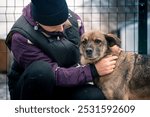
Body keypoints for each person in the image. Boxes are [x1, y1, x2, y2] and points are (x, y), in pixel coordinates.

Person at [6, 0, 120, 100]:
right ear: (38, 22)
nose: (61, 29)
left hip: (68, 83)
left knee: (94, 96)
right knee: (42, 71)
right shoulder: (21, 38)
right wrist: (93, 71)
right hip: (33, 89)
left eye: (63, 23)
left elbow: (84, 49)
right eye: (55, 25)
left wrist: (107, 48)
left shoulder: (75, 20)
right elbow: (54, 75)